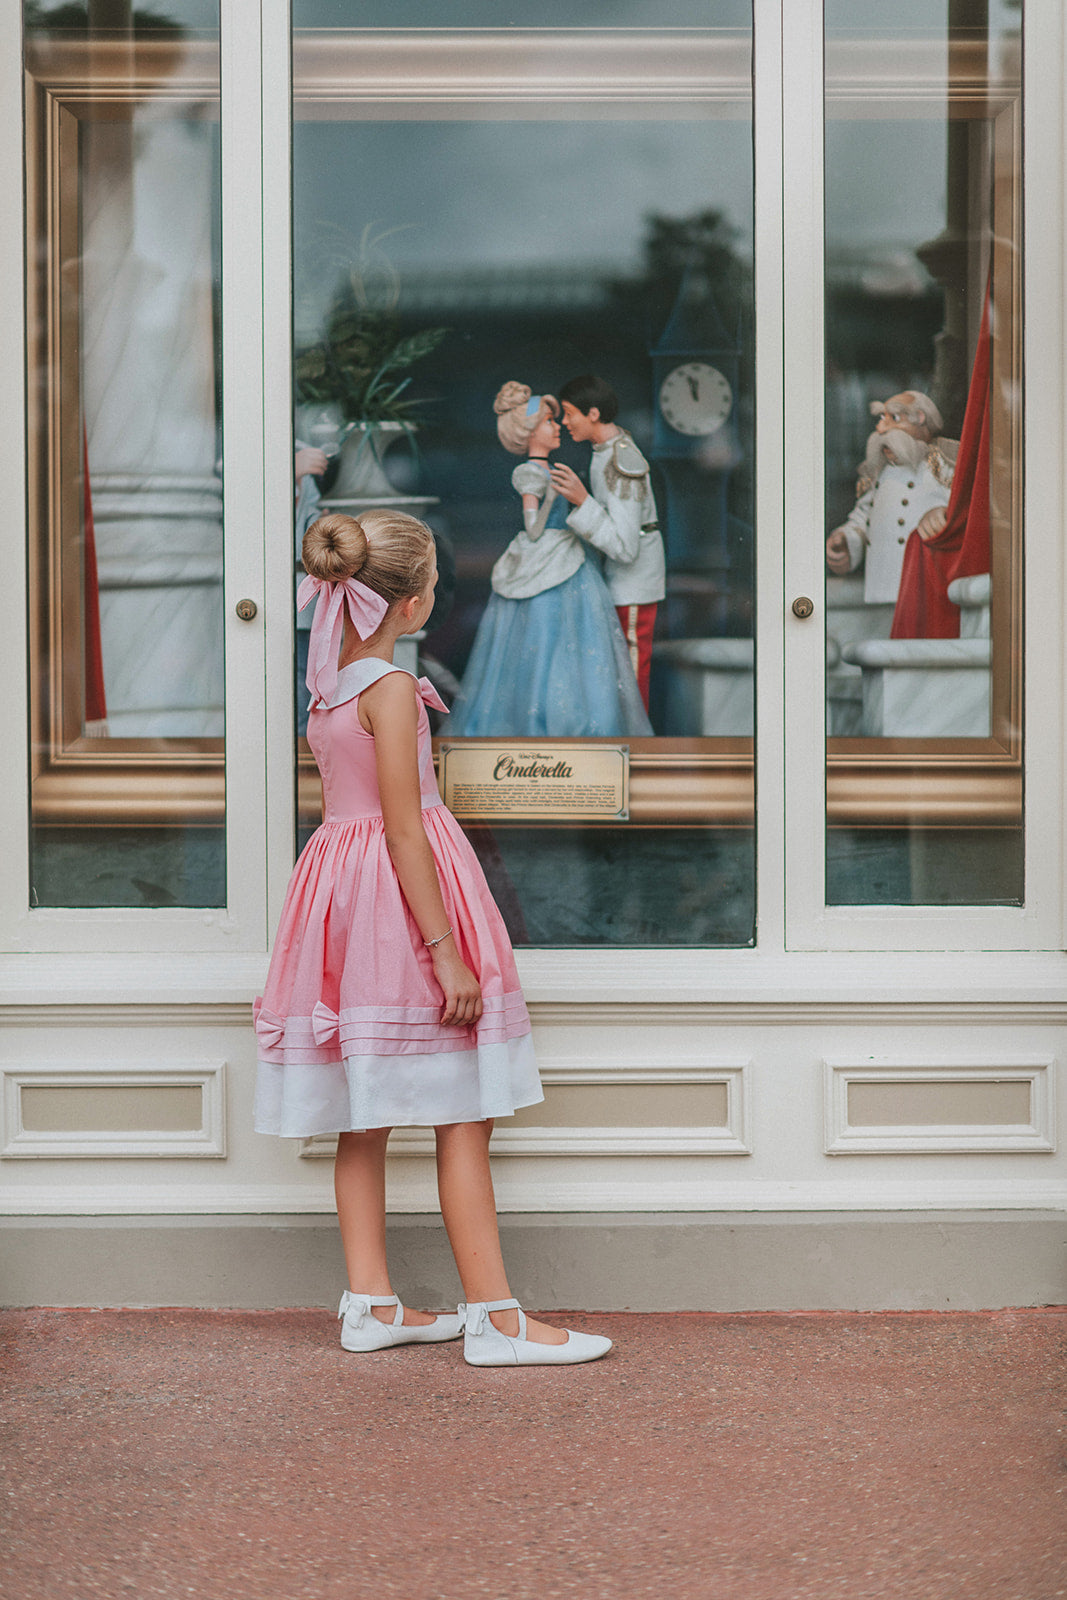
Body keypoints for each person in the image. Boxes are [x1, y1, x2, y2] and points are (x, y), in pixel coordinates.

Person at [254, 507, 612, 1368]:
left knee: (363, 1120)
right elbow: (405, 828)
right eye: (434, 588)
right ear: (410, 604)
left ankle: (371, 1302)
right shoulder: (387, 692)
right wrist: (445, 948)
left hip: (340, 893)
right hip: (401, 900)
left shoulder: (329, 685)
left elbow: (360, 816)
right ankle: (496, 1318)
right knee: (464, 1111)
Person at [440, 383, 651, 738]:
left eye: (557, 420)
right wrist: (560, 501)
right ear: (529, 431)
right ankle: (542, 725)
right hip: (549, 559)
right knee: (545, 640)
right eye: (550, 422)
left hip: (569, 562)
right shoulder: (531, 475)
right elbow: (533, 527)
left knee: (577, 645)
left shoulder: (555, 469)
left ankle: (577, 723)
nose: (557, 427)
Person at [551, 374, 666, 711]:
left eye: (570, 413)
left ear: (594, 414)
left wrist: (583, 501)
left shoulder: (620, 461)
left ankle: (637, 743)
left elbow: (625, 547)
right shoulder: (607, 450)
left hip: (633, 585)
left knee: (630, 672)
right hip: (623, 582)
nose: (565, 421)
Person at [825, 390, 957, 606]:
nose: (881, 429)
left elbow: (965, 509)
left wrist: (942, 514)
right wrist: (846, 541)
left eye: (894, 419)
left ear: (921, 419)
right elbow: (863, 517)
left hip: (924, 590)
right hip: (881, 588)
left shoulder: (941, 468)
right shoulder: (879, 473)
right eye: (881, 419)